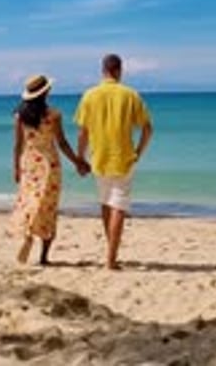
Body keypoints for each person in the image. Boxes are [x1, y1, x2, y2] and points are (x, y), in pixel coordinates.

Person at [75, 53, 153, 270]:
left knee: (106, 203)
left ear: (103, 70)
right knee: (118, 206)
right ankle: (111, 259)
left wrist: (80, 157)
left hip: (98, 158)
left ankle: (111, 250)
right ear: (119, 70)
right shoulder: (130, 95)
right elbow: (147, 129)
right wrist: (139, 151)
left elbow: (83, 132)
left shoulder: (90, 95)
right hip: (124, 159)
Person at [11, 74, 89, 265]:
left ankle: (28, 234)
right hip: (49, 165)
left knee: (29, 202)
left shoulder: (20, 115)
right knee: (48, 207)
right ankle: (44, 257)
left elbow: (18, 144)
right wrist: (78, 161)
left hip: (28, 164)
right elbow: (61, 143)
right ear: (46, 91)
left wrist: (15, 168)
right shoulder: (53, 115)